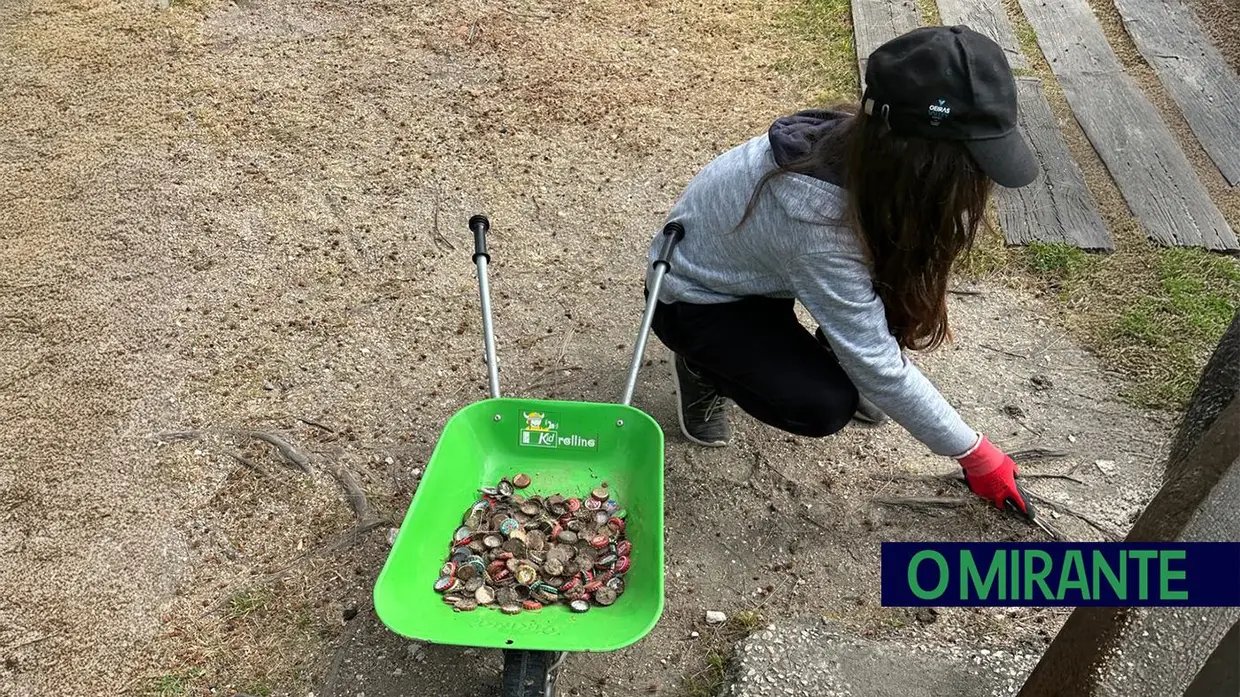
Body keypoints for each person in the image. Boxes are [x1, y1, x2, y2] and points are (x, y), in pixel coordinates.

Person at [644, 25, 1038, 516]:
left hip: (768, 271)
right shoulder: (817, 224)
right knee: (823, 404)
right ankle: (702, 367)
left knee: (887, 297)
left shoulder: (868, 150)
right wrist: (975, 454)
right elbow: (878, 363)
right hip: (699, 298)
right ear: (918, 160)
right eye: (969, 164)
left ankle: (830, 344)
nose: (979, 181)